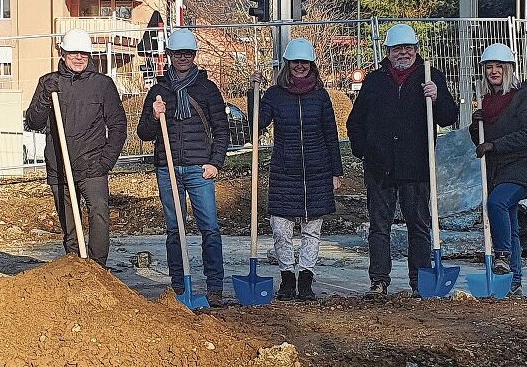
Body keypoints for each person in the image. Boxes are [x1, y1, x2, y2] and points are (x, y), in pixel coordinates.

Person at [346, 23, 458, 298]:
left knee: (418, 225)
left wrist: (437, 96)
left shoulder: (430, 77)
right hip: (379, 167)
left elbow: (448, 116)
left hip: (416, 165)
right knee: (379, 226)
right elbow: (355, 121)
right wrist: (364, 151)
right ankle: (379, 280)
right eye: (397, 49)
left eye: (408, 48)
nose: (403, 53)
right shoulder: (374, 81)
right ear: (389, 52)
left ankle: (419, 280)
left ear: (416, 50)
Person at [136, 29, 230, 307]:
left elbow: (222, 130)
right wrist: (155, 116)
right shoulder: (158, 91)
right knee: (175, 229)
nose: (183, 58)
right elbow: (143, 133)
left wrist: (215, 163)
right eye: (178, 54)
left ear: (194, 56)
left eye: (188, 54)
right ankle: (179, 285)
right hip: (167, 168)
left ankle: (214, 286)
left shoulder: (207, 89)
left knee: (210, 228)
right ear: (170, 56)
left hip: (199, 169)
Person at [248, 39, 343, 301]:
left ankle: (306, 279)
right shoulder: (274, 95)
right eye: (295, 62)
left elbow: (330, 134)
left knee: (313, 229)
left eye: (304, 62)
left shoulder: (321, 95)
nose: (300, 66)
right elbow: (258, 123)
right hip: (284, 171)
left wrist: (336, 171)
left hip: (317, 170)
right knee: (281, 229)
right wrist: (252, 93)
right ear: (287, 65)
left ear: (311, 65)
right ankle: (287, 277)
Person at [25, 29, 127, 267]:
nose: (79, 57)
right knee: (70, 223)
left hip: (92, 165)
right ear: (62, 54)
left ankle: (98, 266)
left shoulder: (102, 85)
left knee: (99, 213)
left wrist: (105, 162)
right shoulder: (49, 83)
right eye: (73, 53)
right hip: (59, 166)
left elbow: (118, 125)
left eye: (83, 53)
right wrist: (44, 98)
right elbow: (33, 122)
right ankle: (75, 265)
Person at [470, 43, 527, 298]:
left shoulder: (523, 97)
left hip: (522, 166)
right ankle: (514, 282)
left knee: (497, 202)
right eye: (489, 67)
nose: (494, 71)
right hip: (498, 169)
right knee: (508, 223)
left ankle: (501, 256)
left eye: (499, 66)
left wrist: (494, 144)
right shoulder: (487, 102)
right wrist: (475, 127)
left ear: (509, 68)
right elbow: (481, 144)